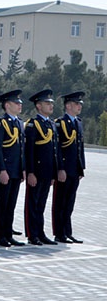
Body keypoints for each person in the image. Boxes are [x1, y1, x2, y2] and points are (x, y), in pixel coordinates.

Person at [23, 89, 64, 246]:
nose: (51, 106)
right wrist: (31, 172)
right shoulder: (33, 125)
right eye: (47, 103)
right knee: (32, 203)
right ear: (38, 106)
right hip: (37, 171)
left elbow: (55, 150)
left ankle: (40, 232)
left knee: (41, 204)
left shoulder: (51, 124)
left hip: (47, 172)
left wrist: (55, 172)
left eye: (51, 103)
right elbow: (30, 151)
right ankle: (32, 234)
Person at [0, 89, 25, 247]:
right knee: (2, 203)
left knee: (11, 204)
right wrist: (1, 170)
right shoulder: (0, 123)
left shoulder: (19, 122)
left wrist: (23, 169)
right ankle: (0, 235)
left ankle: (8, 233)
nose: (20, 106)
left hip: (16, 170)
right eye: (16, 103)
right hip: (5, 170)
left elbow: (21, 149)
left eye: (20, 103)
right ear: (7, 105)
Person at [52, 91, 86, 244]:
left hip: (74, 169)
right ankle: (59, 233)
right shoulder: (60, 123)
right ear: (68, 105)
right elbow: (57, 148)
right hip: (64, 169)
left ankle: (68, 231)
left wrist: (81, 167)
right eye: (77, 104)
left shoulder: (78, 122)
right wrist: (60, 168)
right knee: (60, 201)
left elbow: (80, 147)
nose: (79, 106)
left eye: (80, 104)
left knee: (70, 201)